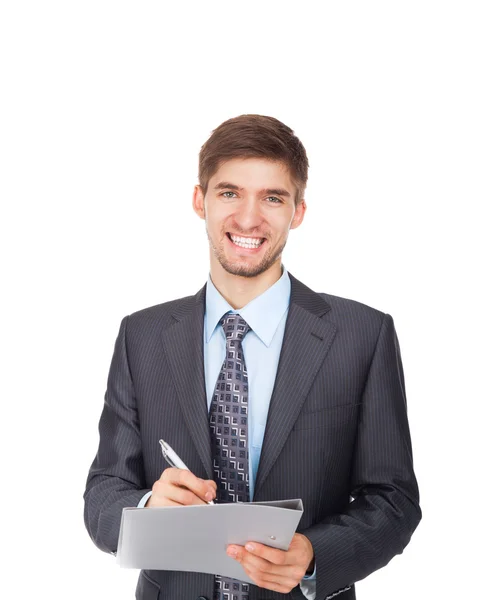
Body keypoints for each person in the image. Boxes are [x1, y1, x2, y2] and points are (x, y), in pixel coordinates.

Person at [84, 114, 422, 600]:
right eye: (229, 193)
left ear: (298, 211)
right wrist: (144, 507)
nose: (247, 218)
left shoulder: (362, 335)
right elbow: (103, 491)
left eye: (272, 197)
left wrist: (313, 554)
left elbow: (394, 502)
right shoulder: (143, 335)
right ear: (199, 200)